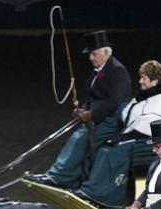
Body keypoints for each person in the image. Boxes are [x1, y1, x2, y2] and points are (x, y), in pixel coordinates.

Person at [28, 31, 132, 189]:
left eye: (94, 54)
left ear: (106, 52)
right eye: (90, 54)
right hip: (100, 114)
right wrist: (83, 109)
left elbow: (113, 101)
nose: (91, 58)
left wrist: (91, 115)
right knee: (77, 137)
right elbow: (93, 96)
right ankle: (59, 174)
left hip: (112, 119)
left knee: (81, 139)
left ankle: (59, 177)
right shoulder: (99, 70)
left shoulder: (117, 71)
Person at [77, 60, 161, 209]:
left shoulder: (160, 101)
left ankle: (107, 197)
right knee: (102, 148)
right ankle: (94, 190)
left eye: (144, 78)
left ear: (154, 81)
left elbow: (147, 128)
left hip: (147, 142)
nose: (140, 81)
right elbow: (126, 117)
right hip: (133, 137)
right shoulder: (143, 96)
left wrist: (120, 138)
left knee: (111, 152)